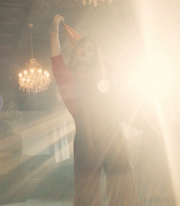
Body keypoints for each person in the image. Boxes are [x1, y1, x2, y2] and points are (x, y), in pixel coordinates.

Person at [50, 14, 137, 206]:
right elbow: (56, 56)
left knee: (123, 187)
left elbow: (119, 103)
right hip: (86, 138)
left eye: (91, 49)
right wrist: (55, 26)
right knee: (87, 192)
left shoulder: (102, 77)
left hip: (114, 134)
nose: (86, 51)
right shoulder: (67, 76)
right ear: (75, 49)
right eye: (83, 46)